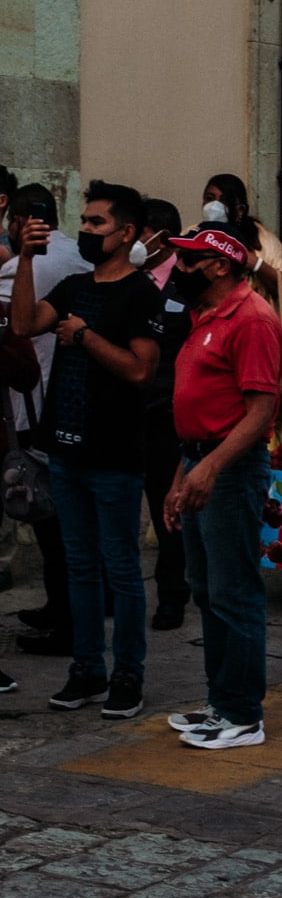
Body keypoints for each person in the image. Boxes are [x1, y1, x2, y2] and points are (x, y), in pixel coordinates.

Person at [10, 182, 162, 719]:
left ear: (125, 233)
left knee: (120, 568)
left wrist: (86, 338)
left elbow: (142, 370)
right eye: (85, 221)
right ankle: (86, 671)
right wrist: (26, 257)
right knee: (79, 566)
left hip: (115, 456)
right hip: (66, 452)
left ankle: (127, 676)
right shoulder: (74, 286)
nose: (86, 230)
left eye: (97, 223)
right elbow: (24, 325)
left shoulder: (141, 294)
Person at [162, 220, 282, 750]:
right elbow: (195, 414)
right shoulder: (205, 315)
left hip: (230, 472)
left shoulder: (252, 319)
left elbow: (260, 412)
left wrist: (208, 468)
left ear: (219, 264)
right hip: (202, 464)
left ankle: (242, 715)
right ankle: (221, 703)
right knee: (208, 589)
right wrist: (181, 477)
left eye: (188, 260)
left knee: (234, 592)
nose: (178, 268)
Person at [0, 185, 89, 657]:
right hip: (70, 400)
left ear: (19, 222)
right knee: (63, 520)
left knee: (49, 519)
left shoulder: (20, 267)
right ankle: (61, 611)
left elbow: (13, 327)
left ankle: (64, 621)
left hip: (33, 403)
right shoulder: (79, 257)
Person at [135, 199, 194, 628]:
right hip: (129, 410)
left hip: (167, 412)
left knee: (166, 507)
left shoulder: (186, 282)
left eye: (139, 231)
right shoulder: (129, 281)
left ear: (158, 235)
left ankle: (172, 595)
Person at [201, 173, 282, 281]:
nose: (214, 206)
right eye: (210, 198)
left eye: (224, 201)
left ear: (240, 210)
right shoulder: (193, 235)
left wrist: (257, 265)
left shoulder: (263, 240)